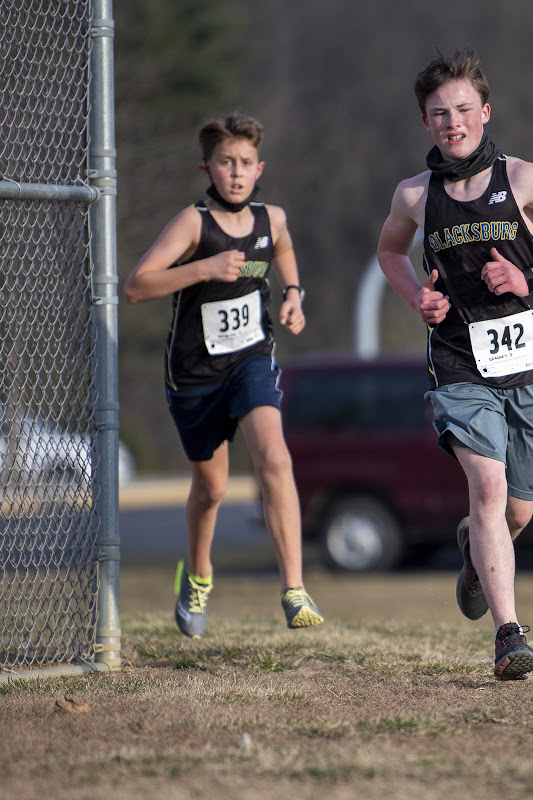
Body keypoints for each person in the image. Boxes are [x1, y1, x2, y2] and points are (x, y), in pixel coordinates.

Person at [377, 51, 533, 680]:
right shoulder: (413, 195)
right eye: (438, 114)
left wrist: (530, 276)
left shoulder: (527, 179)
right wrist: (416, 297)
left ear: (484, 113)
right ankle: (509, 636)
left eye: (462, 110)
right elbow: (389, 251)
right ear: (425, 123)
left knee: (516, 511)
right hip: (457, 361)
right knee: (485, 488)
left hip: (529, 362)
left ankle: (474, 554)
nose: (452, 123)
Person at [123, 112, 323, 637]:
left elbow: (282, 247)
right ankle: (198, 573)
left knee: (274, 458)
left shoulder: (270, 218)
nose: (236, 173)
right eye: (225, 163)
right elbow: (136, 286)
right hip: (194, 373)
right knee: (210, 488)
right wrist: (203, 269)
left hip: (250, 358)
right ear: (206, 167)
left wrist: (294, 294)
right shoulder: (193, 223)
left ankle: (295, 588)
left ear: (260, 168)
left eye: (245, 164)